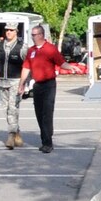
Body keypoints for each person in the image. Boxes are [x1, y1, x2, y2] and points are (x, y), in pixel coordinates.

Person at [22, 24, 64, 153]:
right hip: (37, 85)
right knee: (39, 113)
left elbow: (61, 62)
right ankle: (45, 137)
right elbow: (26, 67)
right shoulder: (31, 50)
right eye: (32, 35)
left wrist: (72, 67)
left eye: (34, 35)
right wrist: (21, 83)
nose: (33, 37)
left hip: (49, 84)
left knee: (47, 113)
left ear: (41, 35)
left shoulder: (50, 49)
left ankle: (48, 142)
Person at [0, 25, 27, 148]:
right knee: (6, 109)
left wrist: (25, 82)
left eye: (11, 30)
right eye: (7, 30)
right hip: (3, 81)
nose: (8, 32)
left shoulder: (22, 46)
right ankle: (17, 133)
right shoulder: (0, 46)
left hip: (16, 81)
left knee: (13, 108)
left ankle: (11, 135)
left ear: (16, 31)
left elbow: (28, 64)